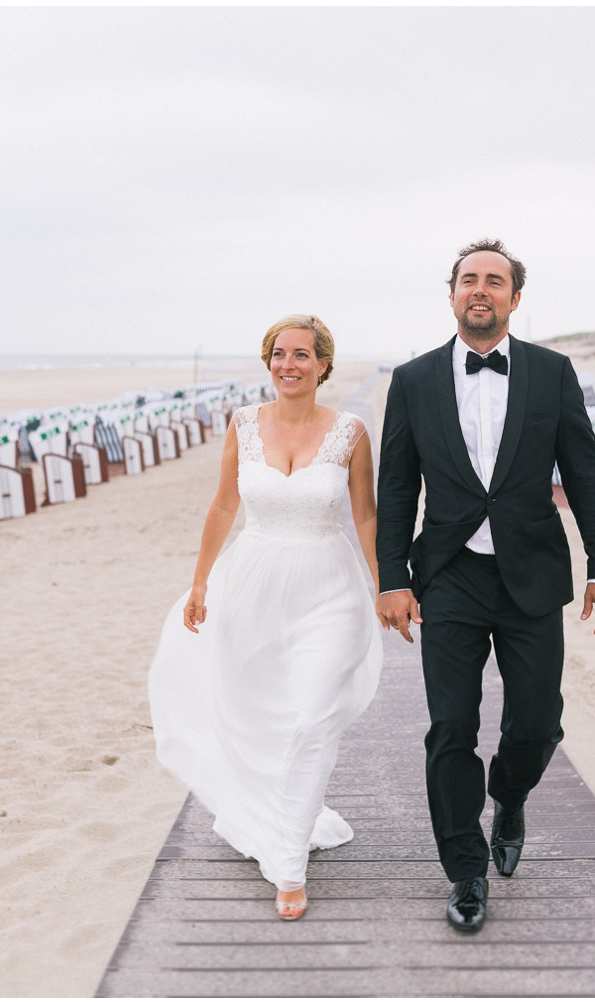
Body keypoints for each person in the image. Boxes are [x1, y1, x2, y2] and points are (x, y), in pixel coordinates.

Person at [375, 239, 595, 933]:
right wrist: (393, 578)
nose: (479, 289)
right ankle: (465, 872)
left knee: (536, 723)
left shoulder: (550, 372)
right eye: (468, 280)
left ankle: (509, 796)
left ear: (515, 298)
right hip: (449, 576)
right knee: (451, 726)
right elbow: (396, 489)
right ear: (450, 294)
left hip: (533, 576)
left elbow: (583, 475)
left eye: (494, 280)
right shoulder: (415, 379)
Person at [148, 314, 384, 922]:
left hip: (329, 589)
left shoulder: (351, 432)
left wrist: (387, 586)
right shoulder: (243, 424)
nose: (289, 365)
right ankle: (277, 816)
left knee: (310, 719)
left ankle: (289, 866)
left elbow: (365, 518)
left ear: (323, 365)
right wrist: (200, 581)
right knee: (256, 718)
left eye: (302, 355)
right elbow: (225, 502)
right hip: (250, 585)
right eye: (279, 354)